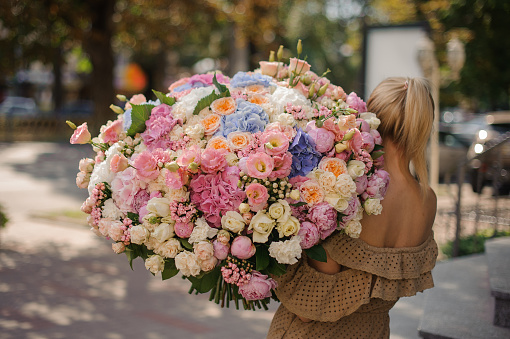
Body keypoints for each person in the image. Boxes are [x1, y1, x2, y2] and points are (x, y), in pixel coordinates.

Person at [267, 77, 438, 338]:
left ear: (370, 116)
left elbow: (308, 308)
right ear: (424, 127)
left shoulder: (350, 188)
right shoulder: (428, 201)